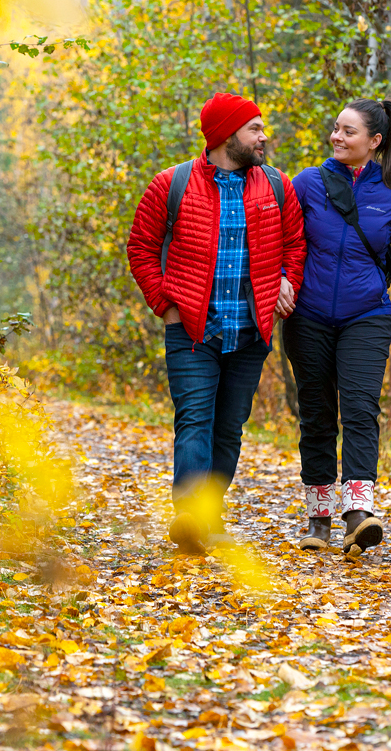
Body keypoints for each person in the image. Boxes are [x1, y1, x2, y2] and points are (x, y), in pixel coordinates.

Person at [127, 93, 307, 554]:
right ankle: (189, 515)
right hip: (191, 329)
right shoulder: (173, 183)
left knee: (228, 428)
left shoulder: (276, 185)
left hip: (251, 332)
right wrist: (164, 304)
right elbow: (141, 248)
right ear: (227, 136)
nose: (263, 137)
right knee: (194, 420)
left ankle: (209, 514)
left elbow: (295, 244)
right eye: (254, 129)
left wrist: (288, 281)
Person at [284, 98, 391, 556]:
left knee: (361, 409)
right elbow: (281, 241)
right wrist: (280, 286)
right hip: (307, 317)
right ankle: (319, 518)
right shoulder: (307, 183)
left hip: (366, 315)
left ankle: (358, 514)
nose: (337, 137)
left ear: (374, 142)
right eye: (336, 129)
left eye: (348, 132)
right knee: (317, 413)